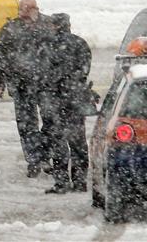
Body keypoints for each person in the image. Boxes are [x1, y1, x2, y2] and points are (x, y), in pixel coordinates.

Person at [0, 0, 57, 179]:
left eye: (29, 8)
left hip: (45, 83)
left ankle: (45, 154)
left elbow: (58, 49)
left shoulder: (47, 25)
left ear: (36, 8)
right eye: (22, 7)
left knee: (50, 120)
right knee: (26, 124)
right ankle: (34, 160)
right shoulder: (11, 27)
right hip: (21, 84)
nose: (24, 11)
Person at [47, 13, 92, 192]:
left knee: (58, 141)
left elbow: (43, 73)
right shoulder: (80, 43)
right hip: (76, 98)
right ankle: (80, 181)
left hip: (56, 99)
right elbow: (84, 70)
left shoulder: (49, 45)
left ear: (55, 26)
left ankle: (61, 182)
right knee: (78, 142)